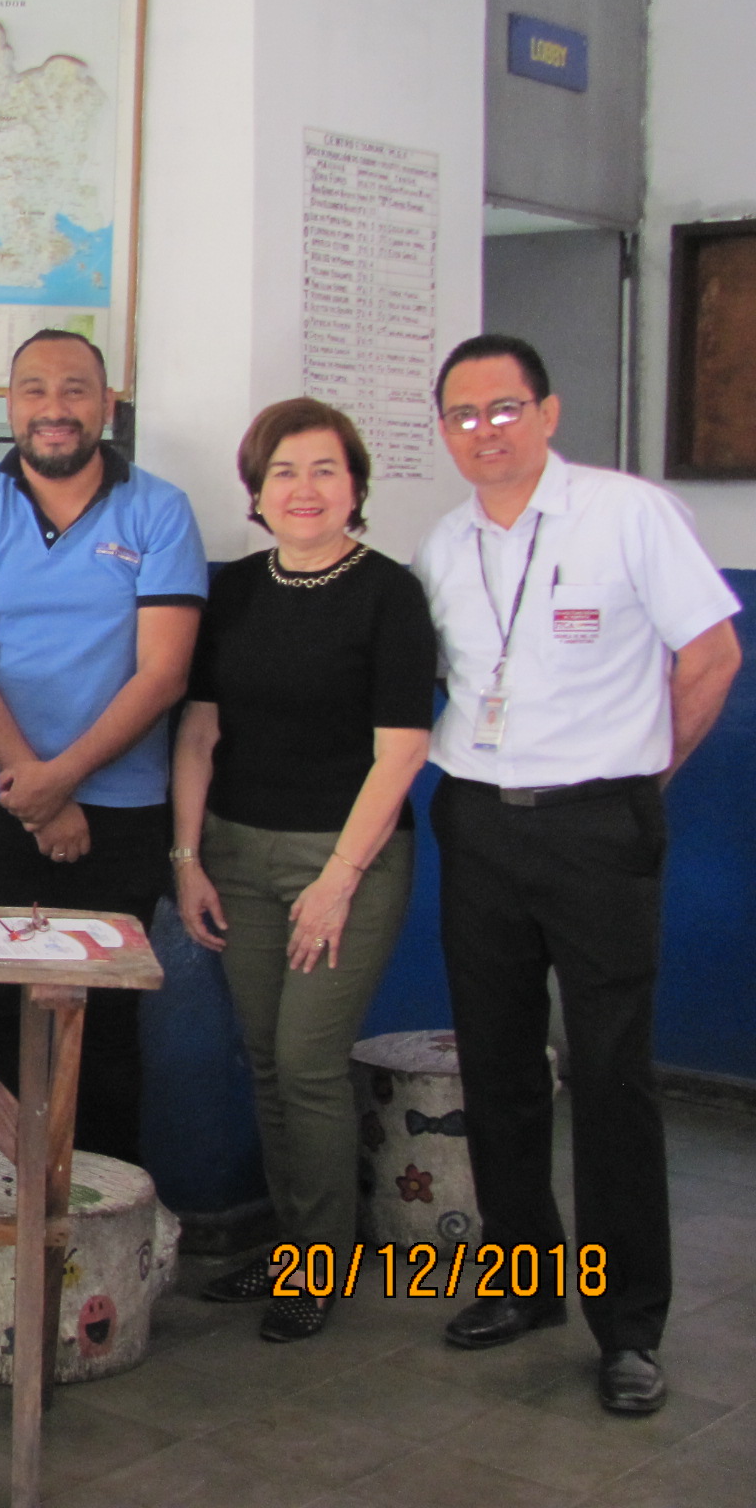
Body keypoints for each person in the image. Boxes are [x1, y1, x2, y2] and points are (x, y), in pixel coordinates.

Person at [414, 334, 740, 1416]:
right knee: (500, 1068)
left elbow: (710, 656)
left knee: (608, 1075)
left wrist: (643, 776)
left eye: (502, 408)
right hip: (478, 823)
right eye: (460, 415)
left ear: (547, 413)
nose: (483, 430)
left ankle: (629, 1327)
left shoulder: (626, 513)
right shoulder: (441, 547)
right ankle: (527, 1284)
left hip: (599, 824)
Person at [170, 399, 435, 1342]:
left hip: (346, 861)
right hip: (236, 856)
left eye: (325, 469)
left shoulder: (390, 594)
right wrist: (189, 859)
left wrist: (338, 879)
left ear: (355, 484)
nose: (305, 488)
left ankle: (318, 1266)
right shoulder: (235, 591)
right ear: (256, 490)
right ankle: (294, 1249)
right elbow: (200, 733)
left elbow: (400, 752)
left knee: (311, 1064)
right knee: (268, 1065)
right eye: (283, 471)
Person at [0, 329, 206, 1162]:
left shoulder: (159, 509)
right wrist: (36, 797)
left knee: (105, 1028)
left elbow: (164, 672)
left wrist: (63, 782)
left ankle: (97, 1239)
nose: (54, 408)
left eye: (76, 390)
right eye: (34, 390)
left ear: (107, 406)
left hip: (121, 812)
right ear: (9, 406)